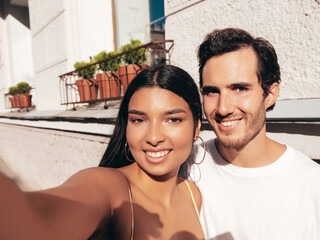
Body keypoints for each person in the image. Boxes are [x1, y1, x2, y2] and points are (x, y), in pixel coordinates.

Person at [0, 65, 207, 240]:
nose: (153, 137)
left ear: (197, 126)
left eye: (172, 119)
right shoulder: (110, 187)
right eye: (139, 120)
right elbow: (33, 221)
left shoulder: (192, 194)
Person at [189, 27, 320, 240]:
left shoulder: (313, 185)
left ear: (270, 94)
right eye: (211, 91)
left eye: (240, 88)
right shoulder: (184, 165)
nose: (223, 108)